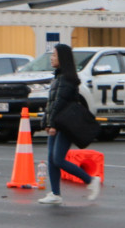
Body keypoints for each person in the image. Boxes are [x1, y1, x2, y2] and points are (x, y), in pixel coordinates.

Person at [39, 44, 101, 205]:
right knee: (52, 159)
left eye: (54, 55)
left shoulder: (66, 79)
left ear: (63, 59)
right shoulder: (58, 77)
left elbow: (60, 103)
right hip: (57, 123)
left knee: (58, 159)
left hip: (64, 124)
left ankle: (90, 180)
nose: (51, 58)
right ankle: (55, 193)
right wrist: (46, 122)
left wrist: (52, 124)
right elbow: (51, 103)